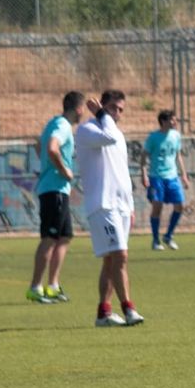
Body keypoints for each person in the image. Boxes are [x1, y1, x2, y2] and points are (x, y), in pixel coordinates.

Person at [75, 89, 143, 327]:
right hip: (103, 204)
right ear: (102, 106)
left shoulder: (117, 133)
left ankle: (103, 313)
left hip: (121, 206)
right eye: (113, 108)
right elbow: (109, 138)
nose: (117, 113)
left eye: (120, 110)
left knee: (111, 260)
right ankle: (129, 308)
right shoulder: (87, 130)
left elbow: (122, 172)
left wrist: (131, 206)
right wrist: (102, 115)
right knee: (120, 256)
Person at [27, 90, 88, 304]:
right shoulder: (62, 126)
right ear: (79, 108)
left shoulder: (54, 123)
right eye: (84, 109)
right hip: (54, 190)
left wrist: (46, 165)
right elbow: (52, 148)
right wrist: (63, 170)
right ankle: (35, 287)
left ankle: (52, 285)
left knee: (65, 237)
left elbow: (39, 145)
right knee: (49, 239)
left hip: (58, 190)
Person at [140, 109, 189, 251]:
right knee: (157, 207)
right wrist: (144, 175)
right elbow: (144, 157)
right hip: (156, 178)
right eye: (173, 120)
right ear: (164, 121)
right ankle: (155, 240)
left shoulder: (176, 136)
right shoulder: (153, 138)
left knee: (179, 206)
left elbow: (178, 155)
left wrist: (184, 175)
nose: (175, 122)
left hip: (172, 177)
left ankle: (168, 236)